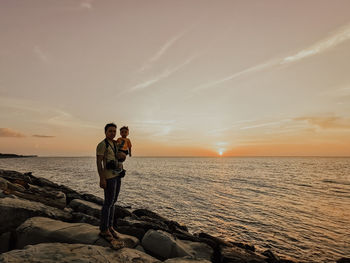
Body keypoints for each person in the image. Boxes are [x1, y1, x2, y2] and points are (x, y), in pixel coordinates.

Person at [96, 123, 124, 248]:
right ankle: (103, 229)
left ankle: (110, 226)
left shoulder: (115, 144)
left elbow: (120, 157)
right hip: (109, 178)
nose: (112, 133)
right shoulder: (102, 145)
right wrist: (102, 179)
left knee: (113, 202)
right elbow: (99, 163)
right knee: (108, 203)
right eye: (110, 131)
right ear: (105, 132)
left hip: (117, 176)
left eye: (114, 131)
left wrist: (121, 160)